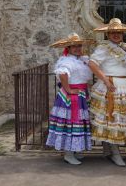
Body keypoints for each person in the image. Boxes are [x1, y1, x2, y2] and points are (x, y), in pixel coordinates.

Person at [88, 18, 126, 167]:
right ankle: (115, 153)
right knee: (112, 120)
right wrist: (105, 80)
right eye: (113, 32)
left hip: (123, 86)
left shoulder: (122, 48)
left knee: (114, 119)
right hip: (112, 86)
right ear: (108, 34)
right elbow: (92, 63)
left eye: (119, 32)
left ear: (123, 34)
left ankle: (107, 151)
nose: (116, 35)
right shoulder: (104, 47)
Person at [46, 33, 95, 165]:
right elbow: (62, 73)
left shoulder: (81, 59)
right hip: (71, 97)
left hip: (80, 95)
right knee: (71, 123)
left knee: (78, 122)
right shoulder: (67, 60)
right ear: (68, 48)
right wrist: (68, 89)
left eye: (79, 46)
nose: (77, 48)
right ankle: (68, 153)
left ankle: (75, 150)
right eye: (74, 46)